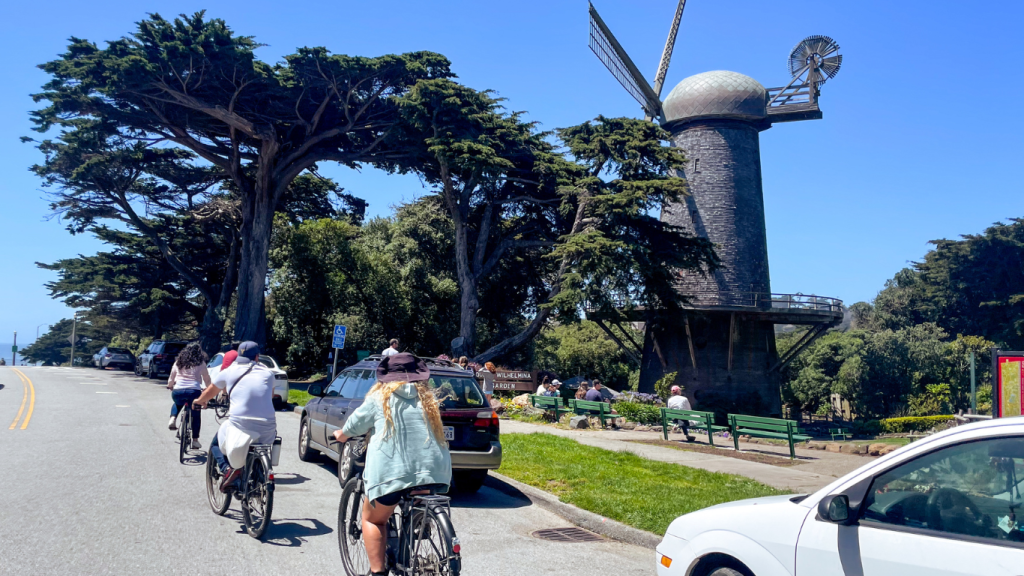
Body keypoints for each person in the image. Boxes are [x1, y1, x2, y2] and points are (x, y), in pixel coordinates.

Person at [331, 353, 451, 576]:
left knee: (373, 520)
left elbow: (356, 424)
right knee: (415, 500)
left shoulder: (380, 398)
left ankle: (378, 572)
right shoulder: (428, 399)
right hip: (433, 472)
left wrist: (342, 434)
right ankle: (419, 524)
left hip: (392, 474)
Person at [193, 341, 277, 491]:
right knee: (261, 443)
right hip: (267, 427)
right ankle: (258, 471)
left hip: (241, 424)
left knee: (215, 444)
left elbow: (211, 391)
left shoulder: (229, 371)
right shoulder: (268, 373)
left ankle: (228, 470)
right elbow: (269, 396)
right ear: (257, 357)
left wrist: (199, 401)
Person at [166, 342, 212, 449]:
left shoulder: (178, 361)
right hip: (194, 391)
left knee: (177, 403)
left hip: (178, 390)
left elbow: (172, 377)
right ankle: (195, 440)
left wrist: (170, 386)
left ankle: (173, 418)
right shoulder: (200, 363)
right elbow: (207, 379)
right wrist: (209, 389)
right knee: (196, 414)